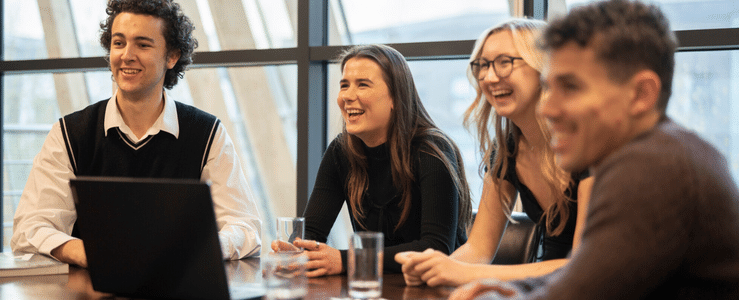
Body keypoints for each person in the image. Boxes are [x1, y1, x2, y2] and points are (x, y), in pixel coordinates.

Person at [449, 0, 739, 299]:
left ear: (641, 94)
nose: (547, 107)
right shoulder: (658, 152)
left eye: (571, 87)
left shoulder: (655, 165)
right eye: (549, 86)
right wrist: (509, 287)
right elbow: (589, 274)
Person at [11, 0, 262, 267]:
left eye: (143, 44)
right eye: (119, 43)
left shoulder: (208, 134)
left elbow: (245, 228)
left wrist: (195, 247)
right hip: (92, 291)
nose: (126, 55)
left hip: (178, 288)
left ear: (172, 56)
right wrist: (90, 253)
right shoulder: (70, 134)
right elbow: (31, 227)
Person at [395, 18, 593, 287]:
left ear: (543, 67)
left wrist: (462, 273)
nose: (489, 77)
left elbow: (584, 265)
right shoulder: (506, 151)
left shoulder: (589, 147)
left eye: (504, 62)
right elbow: (479, 250)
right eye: (483, 65)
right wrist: (434, 268)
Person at [273, 44, 472, 276]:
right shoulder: (341, 151)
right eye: (344, 85)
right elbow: (312, 231)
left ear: (395, 98)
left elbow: (435, 249)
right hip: (373, 287)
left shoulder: (432, 151)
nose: (347, 96)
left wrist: (348, 260)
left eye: (363, 85)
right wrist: (294, 251)